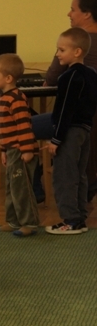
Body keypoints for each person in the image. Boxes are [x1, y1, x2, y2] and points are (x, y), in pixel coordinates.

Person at [40, 0, 97, 202]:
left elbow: (51, 78)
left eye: (73, 9)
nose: (69, 14)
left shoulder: (73, 42)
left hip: (75, 119)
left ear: (87, 14)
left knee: (24, 126)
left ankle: (34, 185)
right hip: (90, 119)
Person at [44, 28, 97, 234]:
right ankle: (80, 217)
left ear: (77, 52)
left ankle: (70, 220)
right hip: (85, 131)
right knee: (79, 175)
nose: (57, 54)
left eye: (61, 50)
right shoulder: (91, 74)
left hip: (69, 132)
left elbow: (64, 110)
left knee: (64, 176)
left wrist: (56, 139)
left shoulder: (68, 77)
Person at [0, 53, 40, 237]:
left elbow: (23, 126)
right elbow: (5, 130)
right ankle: (13, 220)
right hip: (12, 151)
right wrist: (3, 150)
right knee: (11, 187)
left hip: (21, 151)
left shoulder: (16, 99)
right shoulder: (4, 98)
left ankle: (29, 223)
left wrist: (27, 150)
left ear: (8, 78)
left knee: (22, 189)